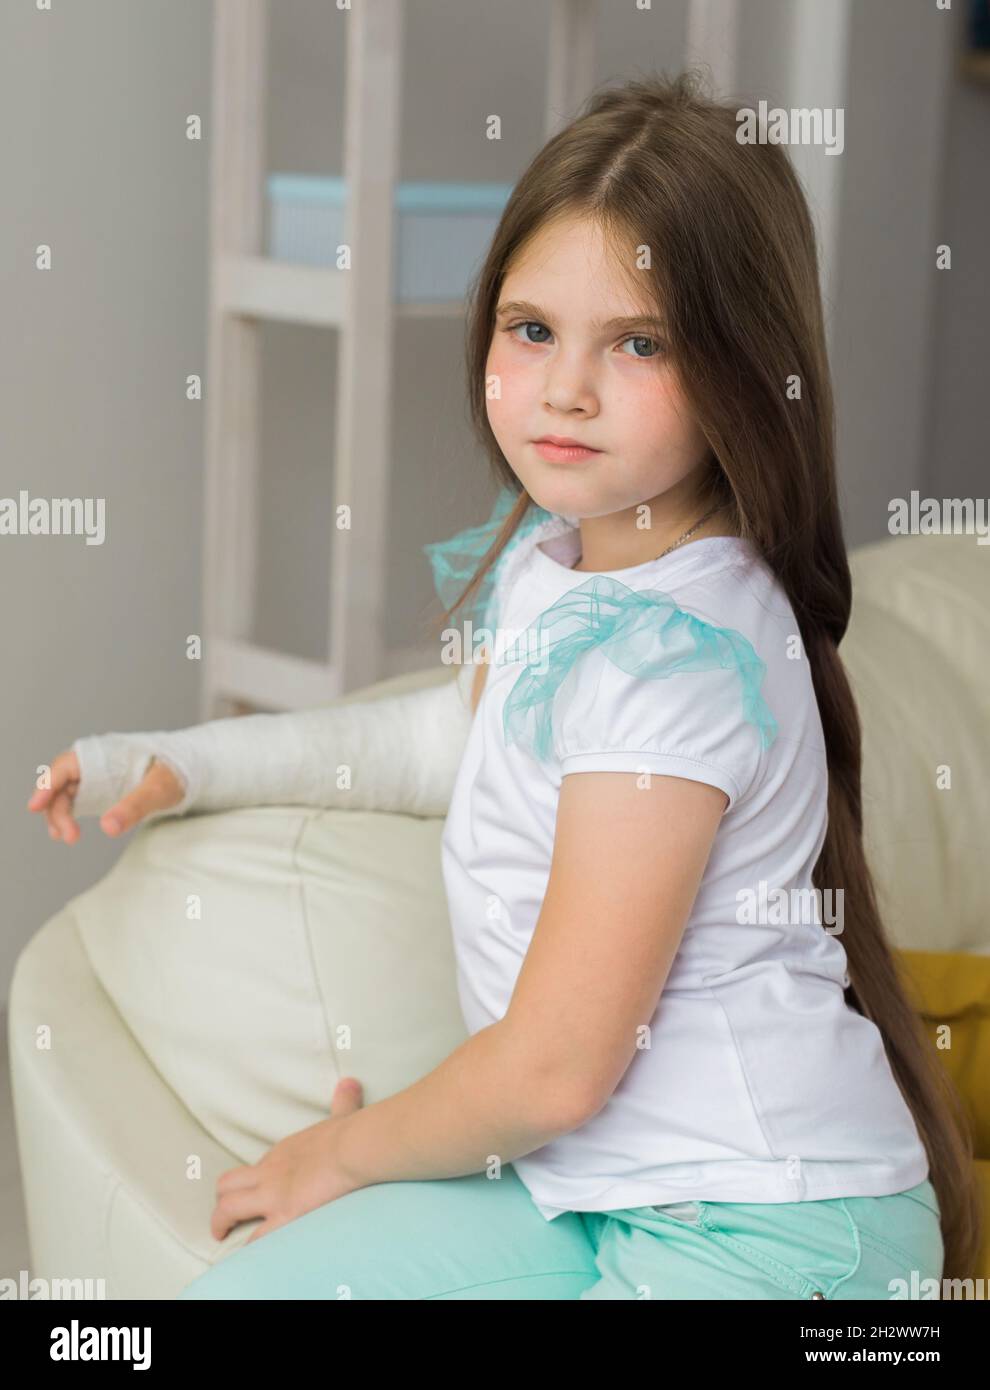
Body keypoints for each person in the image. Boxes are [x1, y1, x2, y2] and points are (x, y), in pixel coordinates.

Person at [27, 69, 978, 1299]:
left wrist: (353, 1148)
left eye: (638, 343)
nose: (565, 388)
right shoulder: (563, 562)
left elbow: (552, 1071)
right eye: (532, 329)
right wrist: (188, 766)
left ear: (747, 368)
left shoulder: (678, 661)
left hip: (771, 1227)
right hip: (583, 1187)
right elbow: (447, 743)